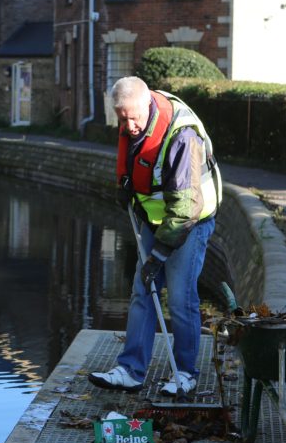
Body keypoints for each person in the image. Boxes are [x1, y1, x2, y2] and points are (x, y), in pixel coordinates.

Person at [89, 76, 222, 395]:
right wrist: (126, 189)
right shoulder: (131, 119)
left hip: (190, 220)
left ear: (148, 104)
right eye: (122, 118)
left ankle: (186, 373)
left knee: (180, 296)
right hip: (154, 218)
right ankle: (131, 369)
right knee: (142, 290)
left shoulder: (181, 136)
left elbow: (186, 207)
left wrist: (158, 256)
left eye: (134, 117)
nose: (129, 125)